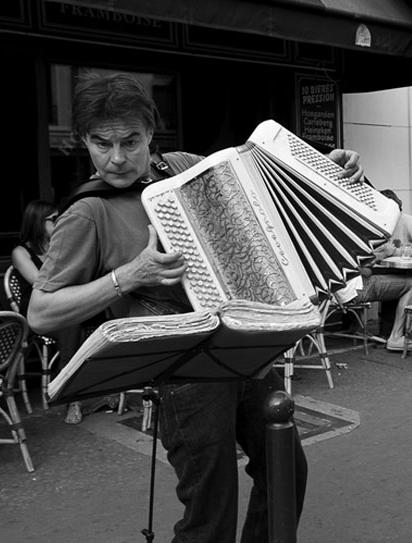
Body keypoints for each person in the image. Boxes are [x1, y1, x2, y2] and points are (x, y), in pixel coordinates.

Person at [28, 71, 365, 542]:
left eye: (130, 140)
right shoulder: (88, 213)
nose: (117, 157)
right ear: (84, 140)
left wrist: (325, 169)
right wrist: (130, 275)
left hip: (242, 347)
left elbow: (260, 194)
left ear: (150, 133)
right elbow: (41, 313)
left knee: (287, 472)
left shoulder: (182, 166)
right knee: (211, 510)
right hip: (184, 372)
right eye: (102, 143)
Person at [348, 189, 412, 352]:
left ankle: (391, 334)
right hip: (390, 271)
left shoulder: (408, 221)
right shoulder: (376, 225)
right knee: (386, 280)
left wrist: (395, 252)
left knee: (409, 282)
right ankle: (389, 334)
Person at [11, 200, 57, 316]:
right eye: (55, 219)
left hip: (59, 305)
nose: (60, 223)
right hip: (36, 311)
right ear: (38, 222)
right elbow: (42, 284)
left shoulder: (58, 247)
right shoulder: (20, 252)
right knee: (72, 322)